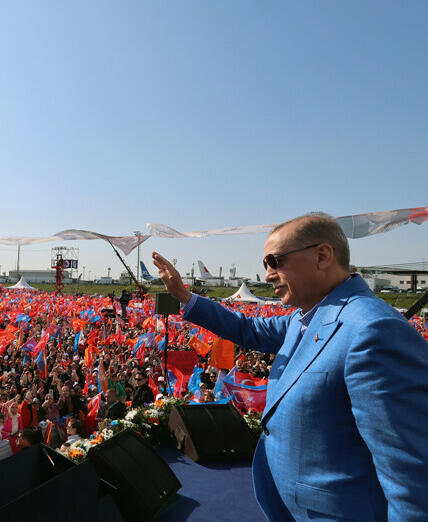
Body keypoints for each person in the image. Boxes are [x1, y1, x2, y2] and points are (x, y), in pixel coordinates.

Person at [152, 213, 428, 520]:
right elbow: (247, 328)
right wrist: (185, 297)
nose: (268, 275)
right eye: (265, 265)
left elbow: (411, 476)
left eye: (276, 261)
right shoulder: (304, 318)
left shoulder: (373, 330)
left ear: (322, 256)